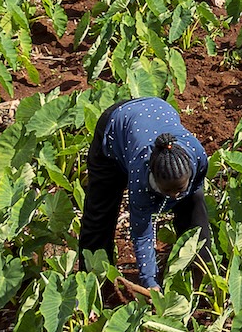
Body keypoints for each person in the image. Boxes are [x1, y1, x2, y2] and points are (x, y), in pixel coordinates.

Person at [78, 97, 213, 289]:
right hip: (115, 127)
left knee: (193, 204)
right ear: (154, 178)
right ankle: (93, 285)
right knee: (100, 214)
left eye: (179, 188)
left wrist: (178, 196)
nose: (173, 195)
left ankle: (203, 280)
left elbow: (192, 189)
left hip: (156, 111)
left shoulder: (198, 156)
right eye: (167, 190)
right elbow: (142, 233)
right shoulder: (141, 174)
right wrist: (149, 281)